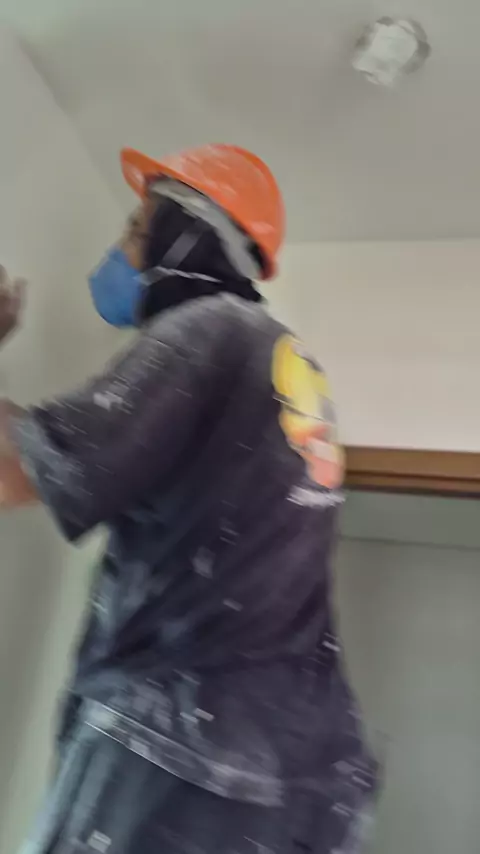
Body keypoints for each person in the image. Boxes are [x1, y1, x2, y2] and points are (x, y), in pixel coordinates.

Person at [0, 144, 378, 853]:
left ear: (186, 236)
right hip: (303, 771)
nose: (119, 252)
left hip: (184, 751)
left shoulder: (209, 329)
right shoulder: (284, 360)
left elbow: (12, 474)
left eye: (135, 230)